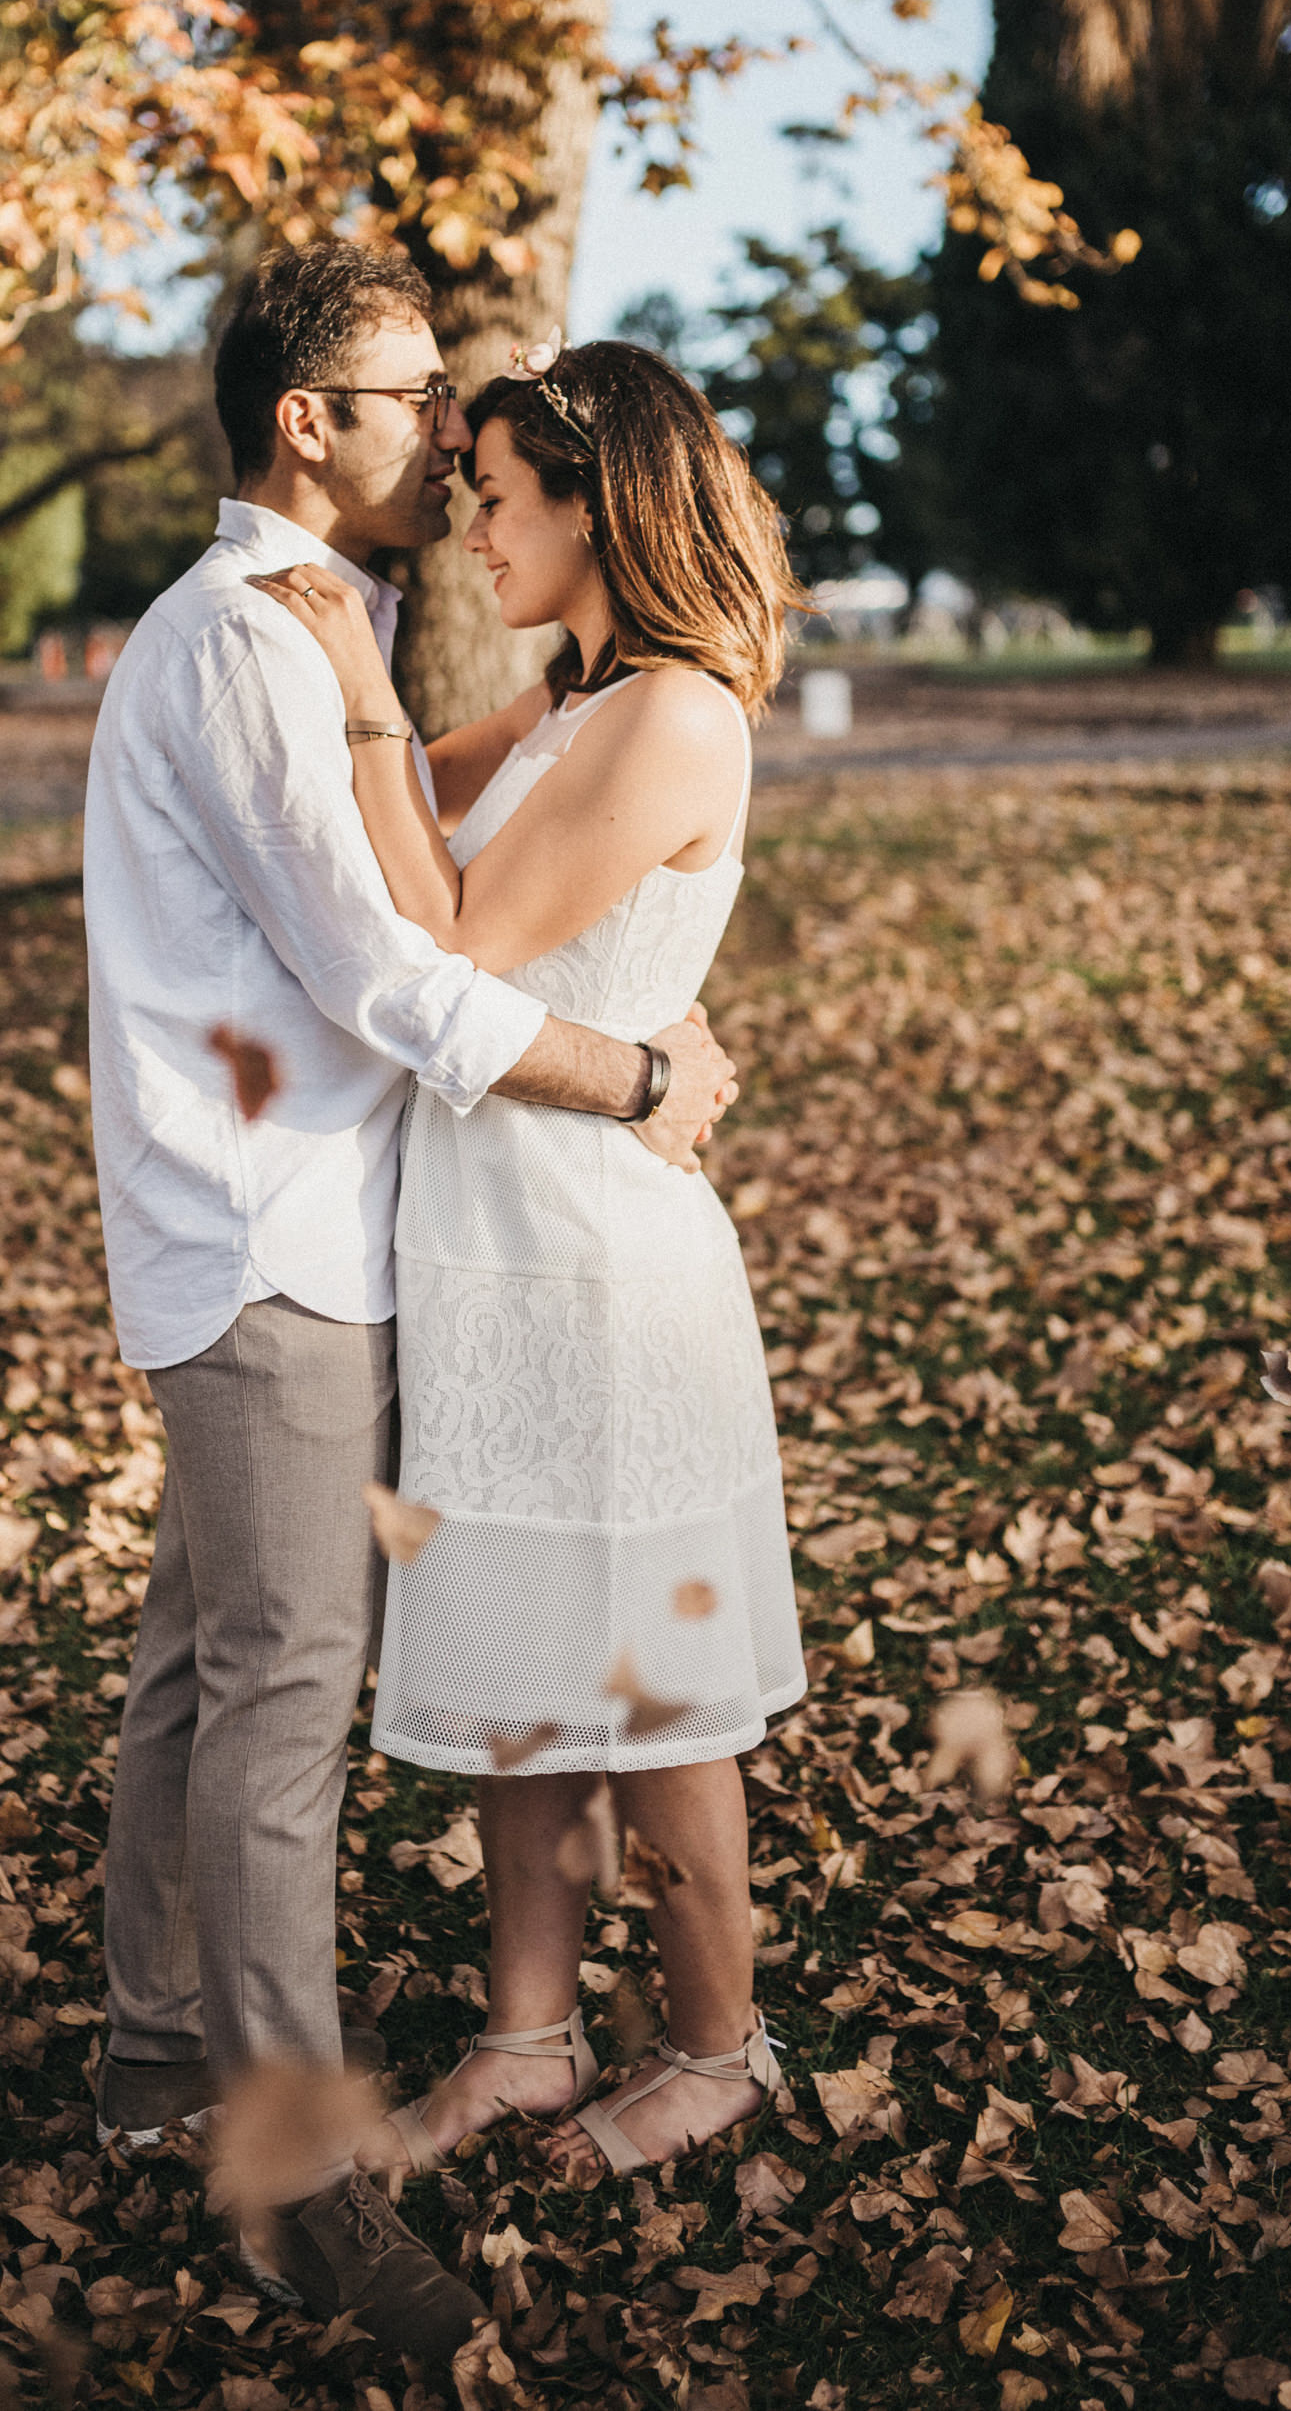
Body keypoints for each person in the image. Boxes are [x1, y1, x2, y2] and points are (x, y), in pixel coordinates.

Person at [82, 246, 738, 2362]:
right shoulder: (262, 641)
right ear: (306, 419)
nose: (448, 435)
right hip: (269, 1235)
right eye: (413, 397)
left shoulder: (328, 625)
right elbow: (400, 971)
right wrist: (638, 1073)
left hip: (309, 1228)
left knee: (207, 1665)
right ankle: (291, 2184)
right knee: (278, 1702)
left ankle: (159, 2051)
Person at [253, 336, 807, 2189]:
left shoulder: (679, 715)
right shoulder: (577, 702)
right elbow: (416, 791)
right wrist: (362, 711)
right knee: (520, 1680)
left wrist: (347, 676)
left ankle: (721, 2049)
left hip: (600, 1267)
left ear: (597, 499)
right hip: (492, 1258)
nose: (471, 531)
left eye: (495, 497)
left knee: (649, 1684)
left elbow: (467, 930)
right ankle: (527, 2039)